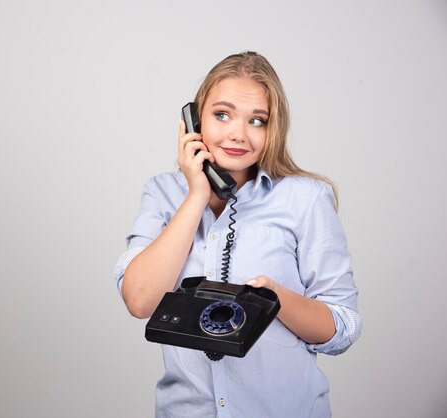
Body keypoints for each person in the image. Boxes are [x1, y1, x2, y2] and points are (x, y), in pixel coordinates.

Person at [114, 51, 362, 417]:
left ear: (272, 128)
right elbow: (139, 300)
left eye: (257, 121)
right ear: (195, 121)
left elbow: (342, 327)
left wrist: (275, 299)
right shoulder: (162, 194)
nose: (238, 134)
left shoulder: (305, 198)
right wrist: (197, 195)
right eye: (222, 115)